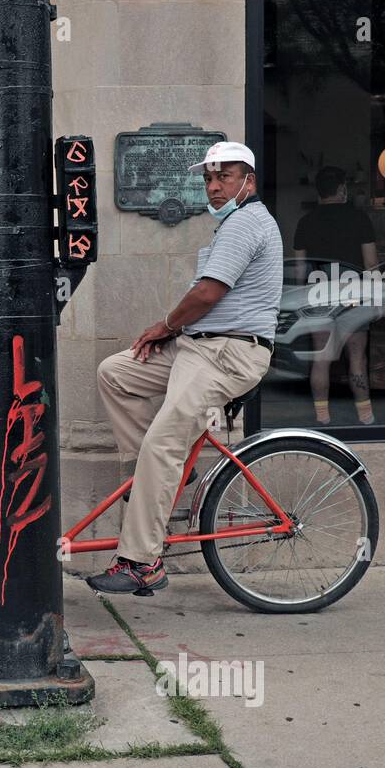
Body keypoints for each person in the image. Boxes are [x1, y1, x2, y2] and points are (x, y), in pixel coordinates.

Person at [88, 141, 281, 594]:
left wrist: (167, 325)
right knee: (115, 372)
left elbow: (208, 293)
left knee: (162, 443)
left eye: (224, 177)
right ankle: (171, 470)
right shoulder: (233, 223)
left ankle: (141, 563)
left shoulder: (246, 223)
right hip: (198, 347)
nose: (213, 187)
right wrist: (176, 334)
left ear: (247, 182)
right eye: (208, 179)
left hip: (228, 353)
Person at [293, 166, 379, 425]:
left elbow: (299, 271)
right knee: (356, 359)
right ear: (342, 188)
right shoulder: (360, 218)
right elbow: (372, 265)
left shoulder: (305, 222)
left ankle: (322, 416)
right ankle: (365, 415)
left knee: (321, 359)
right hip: (353, 297)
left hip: (318, 297)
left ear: (319, 191)